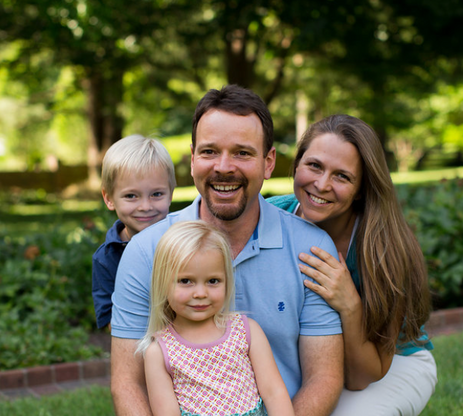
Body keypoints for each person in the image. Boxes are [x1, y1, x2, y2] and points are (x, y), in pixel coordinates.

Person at [110, 85, 344, 416]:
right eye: (209, 152)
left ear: (268, 162)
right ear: (192, 161)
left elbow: (324, 377)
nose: (223, 167)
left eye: (242, 153)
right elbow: (127, 384)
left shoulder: (311, 248)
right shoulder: (147, 250)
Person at [268, 114, 437, 415]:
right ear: (297, 164)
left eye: (342, 176)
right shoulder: (269, 218)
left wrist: (350, 304)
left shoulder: (384, 247)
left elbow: (362, 377)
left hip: (390, 364)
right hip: (311, 361)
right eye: (314, 166)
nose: (321, 184)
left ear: (361, 187)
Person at [136, 220, 294, 416]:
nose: (201, 293)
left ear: (227, 280)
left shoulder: (246, 330)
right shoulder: (159, 351)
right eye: (186, 281)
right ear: (163, 283)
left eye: (213, 281)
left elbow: (274, 392)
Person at [92, 134, 176, 329]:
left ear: (171, 193)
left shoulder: (186, 240)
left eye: (157, 194)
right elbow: (108, 320)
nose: (145, 206)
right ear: (109, 198)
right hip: (139, 346)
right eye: (131, 196)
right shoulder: (107, 257)